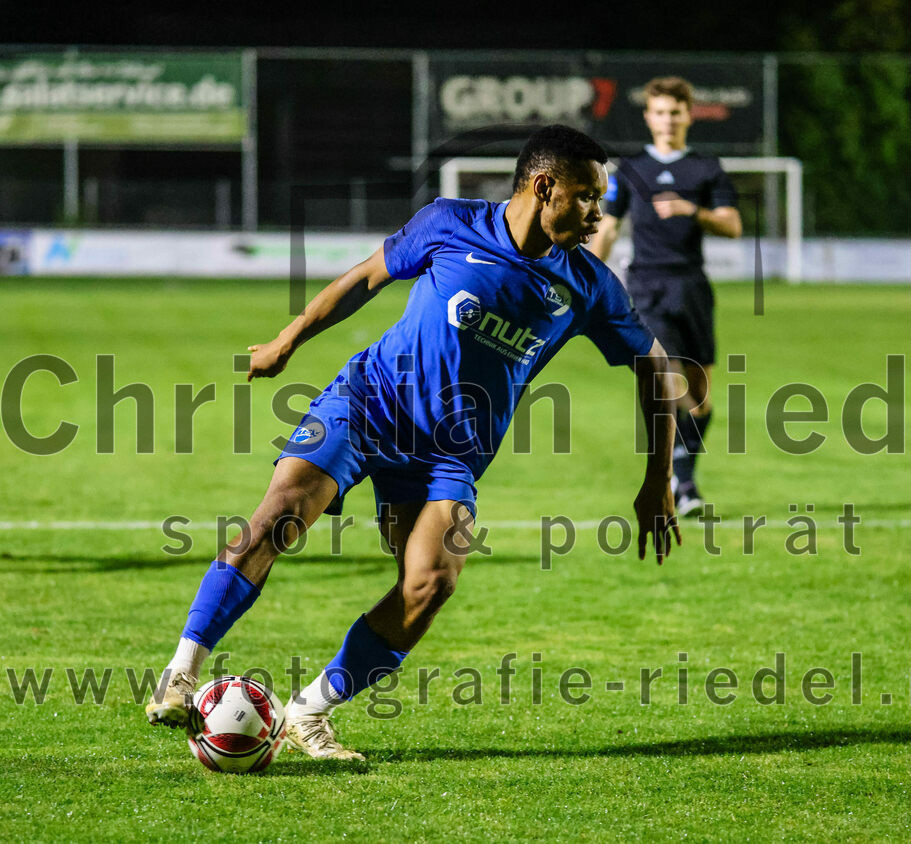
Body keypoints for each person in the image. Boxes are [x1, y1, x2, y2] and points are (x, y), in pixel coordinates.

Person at [146, 125, 681, 761]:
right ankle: (182, 671)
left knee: (431, 581)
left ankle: (308, 711)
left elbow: (658, 367)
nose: (599, 213)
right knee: (279, 517)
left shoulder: (588, 284)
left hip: (450, 455)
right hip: (369, 404)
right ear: (546, 187)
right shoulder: (449, 222)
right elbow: (367, 277)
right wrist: (288, 338)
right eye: (589, 196)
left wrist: (657, 480)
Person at [589, 76, 741, 517]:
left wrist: (691, 209)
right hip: (646, 285)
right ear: (648, 116)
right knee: (667, 378)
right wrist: (591, 279)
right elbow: (608, 227)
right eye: (659, 111)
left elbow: (733, 225)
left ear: (688, 116)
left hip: (691, 286)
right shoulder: (631, 170)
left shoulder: (707, 169)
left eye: (675, 112)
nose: (668, 120)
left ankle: (684, 477)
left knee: (700, 396)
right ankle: (683, 479)